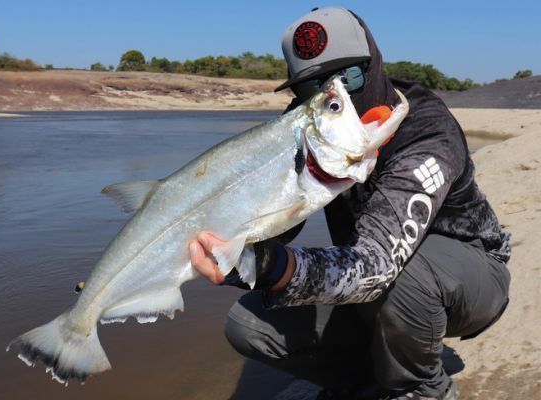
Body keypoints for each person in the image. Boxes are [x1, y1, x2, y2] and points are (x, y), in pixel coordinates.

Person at [189, 7, 510, 400]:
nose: (332, 96)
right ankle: (360, 377)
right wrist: (231, 235)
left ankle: (419, 387)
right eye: (312, 89)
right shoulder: (307, 124)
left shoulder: (426, 131)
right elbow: (281, 223)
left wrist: (273, 267)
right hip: (374, 289)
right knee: (248, 324)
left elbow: (376, 264)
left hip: (469, 280)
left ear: (374, 66)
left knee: (402, 277)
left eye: (347, 79)